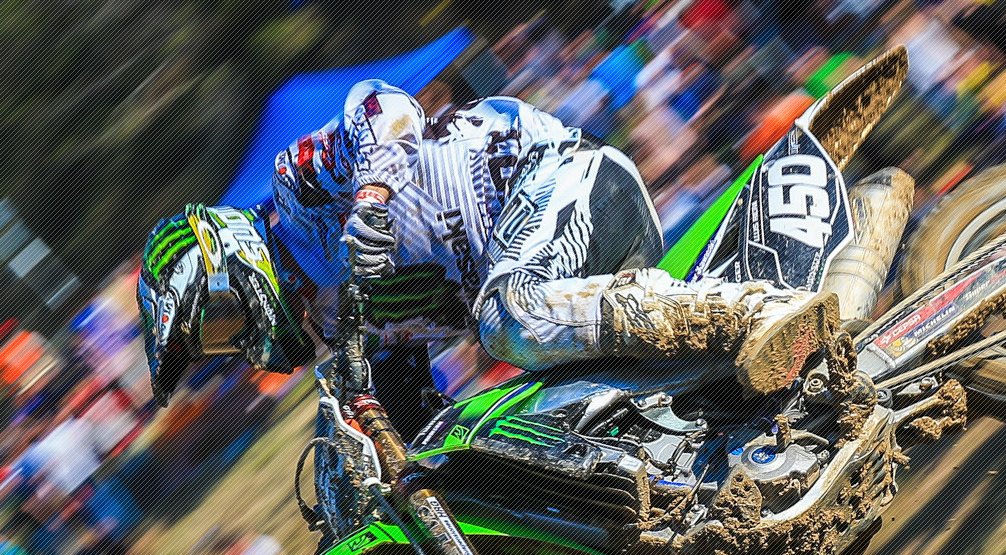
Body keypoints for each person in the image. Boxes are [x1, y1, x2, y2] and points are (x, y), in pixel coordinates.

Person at [135, 80, 837, 413]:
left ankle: (745, 313)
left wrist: (372, 198)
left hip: (564, 179)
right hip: (571, 281)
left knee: (506, 317)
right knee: (538, 422)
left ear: (228, 257)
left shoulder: (297, 192)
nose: (239, 342)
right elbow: (414, 413)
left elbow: (383, 106)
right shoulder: (345, 328)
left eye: (221, 321)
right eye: (219, 346)